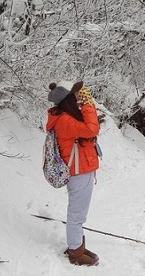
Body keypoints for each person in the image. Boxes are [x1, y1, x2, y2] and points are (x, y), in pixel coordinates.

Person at [45, 80, 100, 266]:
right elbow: (92, 129)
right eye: (76, 94)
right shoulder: (65, 120)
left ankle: (77, 246)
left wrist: (84, 106)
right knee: (77, 215)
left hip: (81, 170)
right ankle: (75, 252)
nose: (80, 96)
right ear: (68, 99)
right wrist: (88, 105)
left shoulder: (65, 116)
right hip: (79, 172)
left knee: (78, 213)